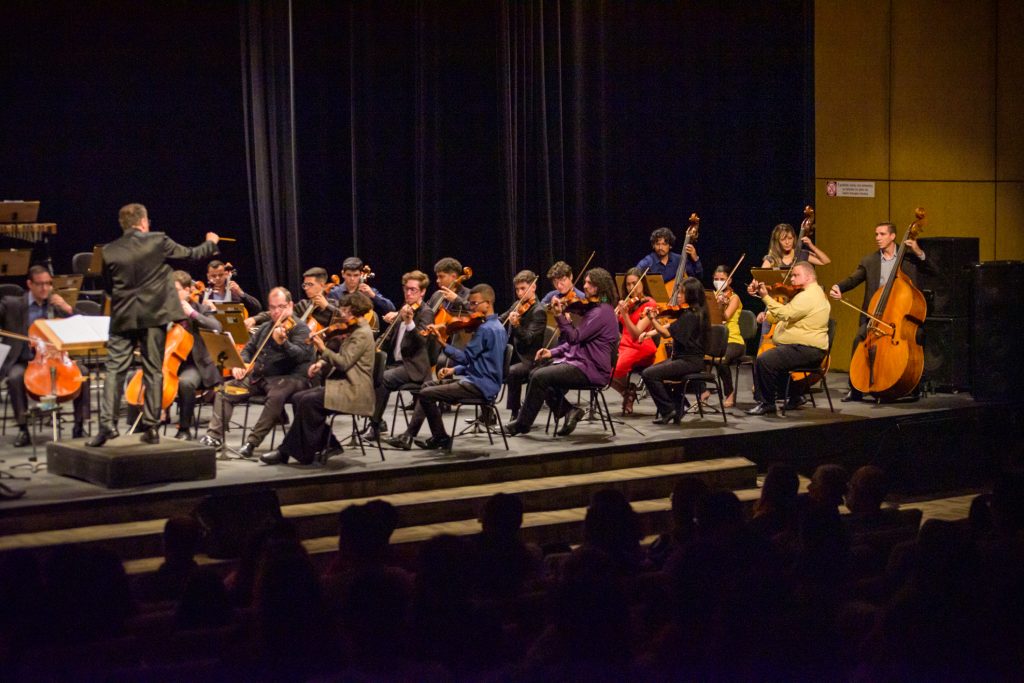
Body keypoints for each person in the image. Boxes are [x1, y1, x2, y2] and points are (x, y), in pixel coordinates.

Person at [87, 203, 218, 446]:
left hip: (123, 318)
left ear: (123, 225)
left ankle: (106, 426)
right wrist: (210, 242)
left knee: (114, 371)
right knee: (153, 371)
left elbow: (107, 288)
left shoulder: (108, 250)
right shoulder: (157, 240)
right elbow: (191, 254)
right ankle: (151, 427)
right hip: (153, 317)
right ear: (144, 222)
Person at [385, 283, 507, 451]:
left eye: (474, 304)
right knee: (427, 385)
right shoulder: (499, 326)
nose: (471, 308)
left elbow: (465, 358)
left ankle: (440, 437)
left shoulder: (485, 330)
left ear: (488, 303)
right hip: (485, 381)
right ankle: (415, 435)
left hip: (479, 386)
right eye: (470, 303)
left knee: (426, 393)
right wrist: (453, 370)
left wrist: (443, 343)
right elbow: (484, 362)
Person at [260, 292, 376, 465]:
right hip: (344, 384)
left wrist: (322, 348)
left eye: (344, 310)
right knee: (299, 398)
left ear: (354, 311)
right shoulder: (354, 329)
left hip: (355, 390)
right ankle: (328, 444)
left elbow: (344, 363)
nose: (341, 314)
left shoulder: (362, 334)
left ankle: (286, 452)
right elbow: (341, 355)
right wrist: (321, 363)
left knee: (309, 402)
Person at [829, 221, 937, 402]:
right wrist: (838, 287)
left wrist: (918, 251)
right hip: (875, 315)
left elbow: (933, 272)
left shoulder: (909, 258)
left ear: (893, 236)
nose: (878, 238)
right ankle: (855, 389)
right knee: (859, 338)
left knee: (918, 335)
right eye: (876, 234)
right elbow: (853, 279)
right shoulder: (869, 261)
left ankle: (912, 384)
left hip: (899, 317)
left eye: (882, 234)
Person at [504, 268, 619, 437]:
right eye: (585, 282)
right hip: (580, 362)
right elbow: (577, 344)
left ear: (599, 287)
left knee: (539, 376)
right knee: (536, 373)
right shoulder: (595, 309)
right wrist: (552, 352)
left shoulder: (601, 312)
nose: (585, 286)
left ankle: (522, 424)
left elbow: (574, 338)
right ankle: (569, 411)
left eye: (590, 283)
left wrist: (559, 316)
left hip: (592, 369)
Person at [199, 287, 313, 458]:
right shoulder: (266, 327)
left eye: (280, 307)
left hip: (290, 379)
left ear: (290, 305)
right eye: (272, 307)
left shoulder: (301, 329)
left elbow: (301, 355)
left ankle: (252, 442)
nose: (275, 312)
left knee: (276, 395)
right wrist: (241, 363)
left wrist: (284, 343)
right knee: (225, 389)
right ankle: (214, 436)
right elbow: (248, 349)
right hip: (261, 377)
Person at [125, 270, 222, 440]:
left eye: (175, 290)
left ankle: (184, 429)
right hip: (166, 363)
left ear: (187, 290)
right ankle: (139, 427)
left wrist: (192, 313)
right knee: (134, 377)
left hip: (195, 364)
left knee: (186, 383)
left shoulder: (201, 308)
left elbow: (217, 327)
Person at [1, 265, 91, 445]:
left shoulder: (56, 306)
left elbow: (85, 323)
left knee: (83, 373)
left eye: (49, 284)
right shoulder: (12, 304)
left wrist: (68, 308)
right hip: (24, 360)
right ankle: (23, 429)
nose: (45, 288)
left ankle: (79, 425)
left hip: (56, 359)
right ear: (29, 284)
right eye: (40, 284)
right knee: (15, 377)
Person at [746, 261, 830, 415]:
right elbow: (786, 316)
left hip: (808, 349)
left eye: (796, 275)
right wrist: (768, 316)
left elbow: (786, 314)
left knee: (765, 360)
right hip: (801, 347)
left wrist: (765, 297)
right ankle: (795, 396)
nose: (791, 279)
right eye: (792, 275)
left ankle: (767, 403)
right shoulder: (804, 294)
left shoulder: (809, 296)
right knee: (778, 362)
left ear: (809, 276)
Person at [363, 270, 436, 442]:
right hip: (398, 365)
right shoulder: (403, 310)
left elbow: (421, 342)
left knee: (383, 379)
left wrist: (410, 323)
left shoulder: (426, 312)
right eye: (406, 290)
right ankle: (377, 422)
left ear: (423, 292)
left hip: (415, 367)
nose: (408, 293)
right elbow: (387, 337)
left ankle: (375, 426)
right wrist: (372, 349)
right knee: (370, 372)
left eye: (413, 290)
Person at [640, 277, 710, 424]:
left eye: (682, 293)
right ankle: (678, 406)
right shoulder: (692, 312)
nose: (678, 295)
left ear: (691, 295)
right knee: (654, 372)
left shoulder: (691, 315)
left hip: (689, 361)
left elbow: (666, 334)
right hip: (683, 359)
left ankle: (668, 409)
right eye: (679, 292)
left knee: (649, 374)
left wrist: (652, 319)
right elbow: (670, 328)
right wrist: (649, 333)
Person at [611, 267, 659, 414]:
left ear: (642, 283)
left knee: (615, 370)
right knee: (598, 367)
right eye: (628, 284)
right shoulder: (630, 303)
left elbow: (636, 334)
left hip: (641, 345)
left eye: (634, 283)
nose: (631, 287)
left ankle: (628, 392)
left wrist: (624, 315)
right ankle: (627, 392)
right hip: (624, 344)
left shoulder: (650, 304)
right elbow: (620, 329)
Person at [503, 270, 546, 421]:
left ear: (533, 287)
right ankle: (486, 411)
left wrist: (516, 325)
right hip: (517, 354)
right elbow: (502, 319)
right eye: (517, 289)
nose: (520, 293)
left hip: (531, 359)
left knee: (513, 371)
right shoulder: (517, 304)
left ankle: (515, 414)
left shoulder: (539, 311)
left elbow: (528, 339)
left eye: (523, 288)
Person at [245, 266, 339, 331]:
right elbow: (279, 312)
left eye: (310, 284)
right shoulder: (303, 304)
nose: (306, 288)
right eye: (304, 285)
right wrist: (254, 319)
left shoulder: (334, 305)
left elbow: (348, 320)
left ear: (322, 285)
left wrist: (327, 307)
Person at [711, 265, 746, 407]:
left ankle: (729, 392)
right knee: (697, 356)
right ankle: (704, 391)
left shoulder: (734, 298)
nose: (719, 281)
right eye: (716, 279)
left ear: (729, 280)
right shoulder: (711, 296)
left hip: (734, 340)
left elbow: (725, 316)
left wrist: (720, 305)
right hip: (715, 340)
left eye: (722, 279)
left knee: (721, 360)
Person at [328, 256, 396, 322]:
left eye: (356, 275)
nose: (352, 279)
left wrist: (373, 295)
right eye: (349, 275)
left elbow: (391, 308)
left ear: (361, 274)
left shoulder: (368, 291)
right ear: (343, 274)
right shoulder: (334, 292)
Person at [635, 226, 703, 287]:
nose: (660, 247)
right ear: (653, 245)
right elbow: (634, 276)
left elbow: (697, 278)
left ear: (670, 245)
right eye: (657, 244)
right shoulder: (647, 261)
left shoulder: (679, 260)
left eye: (664, 244)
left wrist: (695, 258)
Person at [760, 222, 831, 269]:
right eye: (783, 239)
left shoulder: (801, 254)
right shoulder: (772, 258)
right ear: (777, 242)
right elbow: (759, 278)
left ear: (794, 238)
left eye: (790, 238)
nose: (787, 242)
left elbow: (825, 261)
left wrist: (812, 246)